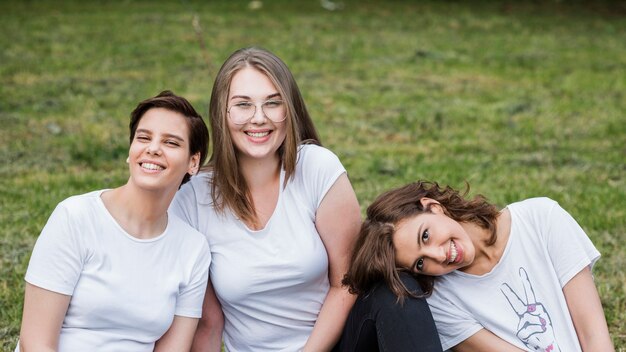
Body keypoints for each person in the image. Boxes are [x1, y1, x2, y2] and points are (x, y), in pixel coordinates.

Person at [170, 47, 361, 352]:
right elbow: (205, 320)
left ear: (290, 109)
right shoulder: (192, 198)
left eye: (273, 103)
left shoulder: (318, 168)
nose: (259, 118)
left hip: (336, 344)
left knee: (397, 299)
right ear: (223, 112)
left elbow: (348, 282)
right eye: (243, 105)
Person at [17, 91, 212, 351]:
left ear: (193, 162)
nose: (153, 148)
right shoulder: (75, 218)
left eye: (171, 143)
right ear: (131, 152)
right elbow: (35, 343)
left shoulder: (193, 249)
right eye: (144, 137)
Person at [342, 181, 615, 351]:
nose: (438, 255)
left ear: (433, 206)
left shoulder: (541, 219)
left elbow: (594, 335)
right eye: (421, 263)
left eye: (425, 235)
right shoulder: (440, 300)